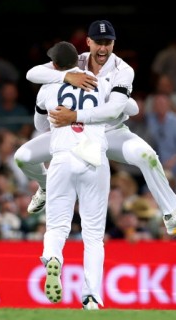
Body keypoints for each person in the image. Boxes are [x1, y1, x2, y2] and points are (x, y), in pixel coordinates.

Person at [15, 20, 176, 236]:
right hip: (72, 133)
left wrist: (74, 115)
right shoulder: (78, 61)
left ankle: (171, 215)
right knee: (22, 156)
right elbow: (32, 74)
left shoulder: (123, 70)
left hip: (109, 133)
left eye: (107, 42)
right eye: (98, 42)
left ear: (114, 43)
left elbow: (114, 111)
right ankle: (46, 185)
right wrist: (66, 76)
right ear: (88, 42)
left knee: (147, 156)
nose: (102, 48)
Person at [35, 41, 112, 310]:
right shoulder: (101, 83)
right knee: (93, 235)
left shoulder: (48, 87)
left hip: (63, 156)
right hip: (94, 159)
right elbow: (124, 110)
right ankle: (91, 296)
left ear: (55, 65)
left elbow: (40, 125)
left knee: (57, 226)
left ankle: (53, 257)